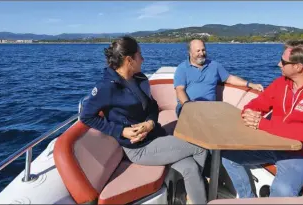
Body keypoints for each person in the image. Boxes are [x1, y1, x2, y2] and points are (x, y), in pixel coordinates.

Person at [80, 36, 208, 204]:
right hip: (139, 148)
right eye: (140, 55)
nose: (143, 58)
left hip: (155, 135)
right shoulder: (107, 87)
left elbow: (153, 107)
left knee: (190, 167)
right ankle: (199, 188)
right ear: (129, 60)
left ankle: (193, 196)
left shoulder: (139, 79)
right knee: (201, 147)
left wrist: (150, 123)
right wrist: (121, 131)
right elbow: (86, 116)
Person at [221, 40, 303, 198]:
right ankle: (248, 200)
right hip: (273, 144)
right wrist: (249, 113)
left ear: (298, 67)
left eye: (283, 61)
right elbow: (256, 104)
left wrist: (262, 124)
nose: (278, 64)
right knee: (228, 157)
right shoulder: (281, 83)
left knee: (282, 189)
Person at [174, 39, 264, 116]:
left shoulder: (214, 65)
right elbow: (180, 90)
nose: (201, 53)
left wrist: (251, 84)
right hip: (187, 106)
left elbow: (229, 78)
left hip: (210, 107)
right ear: (190, 52)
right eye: (198, 51)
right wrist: (188, 106)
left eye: (203, 50)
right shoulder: (182, 68)